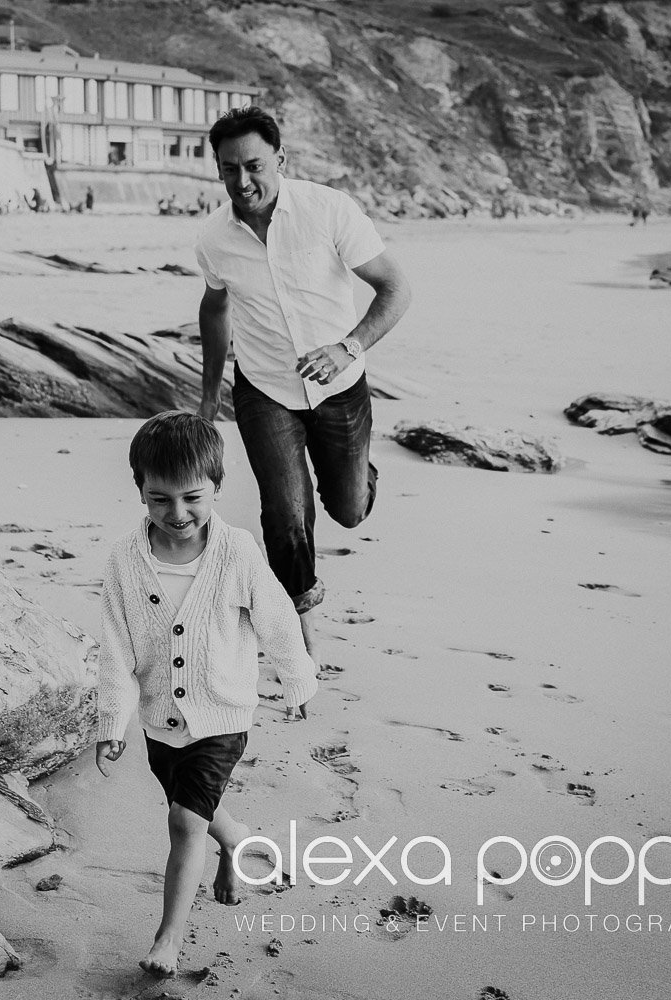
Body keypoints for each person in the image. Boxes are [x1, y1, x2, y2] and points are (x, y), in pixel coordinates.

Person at [95, 411, 319, 978]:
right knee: (194, 809)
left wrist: (296, 680)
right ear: (139, 491)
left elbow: (275, 619)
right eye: (159, 499)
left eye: (192, 497)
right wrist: (110, 723)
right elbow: (116, 650)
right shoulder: (126, 561)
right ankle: (236, 838)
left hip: (222, 714)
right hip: (158, 719)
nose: (177, 514)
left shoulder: (236, 552)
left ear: (217, 486)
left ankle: (168, 939)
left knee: (182, 822)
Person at [194, 106, 411, 665]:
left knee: (349, 509)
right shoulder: (214, 238)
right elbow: (215, 307)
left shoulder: (329, 210)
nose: (242, 182)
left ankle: (359, 475)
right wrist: (207, 393)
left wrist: (348, 347)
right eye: (228, 169)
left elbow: (395, 290)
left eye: (254, 166)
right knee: (285, 512)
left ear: (281, 159)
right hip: (264, 389)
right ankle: (301, 630)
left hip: (341, 388)